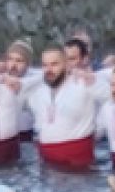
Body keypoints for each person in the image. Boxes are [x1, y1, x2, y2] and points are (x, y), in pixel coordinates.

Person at [25, 42, 104, 171]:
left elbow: (111, 97)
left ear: (67, 65)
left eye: (54, 64)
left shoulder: (83, 83)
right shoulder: (38, 91)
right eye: (45, 65)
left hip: (78, 164)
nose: (49, 70)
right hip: (47, 165)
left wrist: (101, 128)